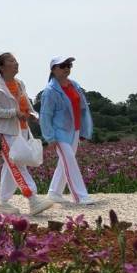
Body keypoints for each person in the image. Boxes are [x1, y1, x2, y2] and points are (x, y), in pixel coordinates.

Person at [0, 52, 54, 216]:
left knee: (11, 165)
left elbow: (28, 105)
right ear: (2, 67)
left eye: (16, 60)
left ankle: (3, 203)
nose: (16, 63)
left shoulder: (20, 84)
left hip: (22, 130)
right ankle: (33, 199)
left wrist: (34, 115)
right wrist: (14, 113)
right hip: (6, 133)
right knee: (17, 164)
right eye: (11, 61)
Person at [40, 56, 95, 206]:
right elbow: (45, 116)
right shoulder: (49, 91)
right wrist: (49, 137)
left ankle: (54, 192)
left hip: (74, 130)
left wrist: (84, 130)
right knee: (70, 161)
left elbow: (83, 108)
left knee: (65, 162)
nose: (67, 68)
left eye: (69, 65)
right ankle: (81, 196)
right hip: (59, 133)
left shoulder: (74, 85)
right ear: (53, 69)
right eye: (63, 65)